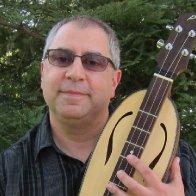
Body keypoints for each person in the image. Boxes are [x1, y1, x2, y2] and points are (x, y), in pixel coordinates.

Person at [0, 15, 195, 196]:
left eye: (93, 62)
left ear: (114, 82)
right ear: (43, 73)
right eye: (61, 58)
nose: (75, 73)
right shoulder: (8, 169)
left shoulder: (176, 159)